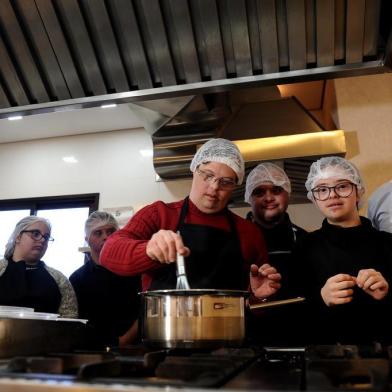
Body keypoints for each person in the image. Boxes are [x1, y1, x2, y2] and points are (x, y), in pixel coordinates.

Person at [100, 138, 281, 301]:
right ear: (194, 170)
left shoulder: (249, 233)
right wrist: (148, 251)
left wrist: (258, 296)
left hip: (227, 333)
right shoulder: (159, 214)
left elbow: (256, 305)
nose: (214, 187)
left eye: (225, 182)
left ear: (235, 186)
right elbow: (108, 253)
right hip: (163, 332)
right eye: (208, 175)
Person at [297, 156, 392, 344]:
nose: (332, 195)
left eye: (342, 186)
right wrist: (320, 299)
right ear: (314, 199)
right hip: (325, 362)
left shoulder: (388, 244)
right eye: (322, 189)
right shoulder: (303, 247)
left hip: (384, 359)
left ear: (358, 191)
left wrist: (388, 293)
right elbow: (292, 316)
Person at [70, 211, 141, 347]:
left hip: (135, 348)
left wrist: (125, 340)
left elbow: (145, 311)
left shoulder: (134, 271)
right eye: (98, 233)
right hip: (92, 350)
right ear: (87, 239)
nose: (106, 237)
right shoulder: (77, 279)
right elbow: (77, 321)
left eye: (111, 232)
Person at [244, 162, 306, 298]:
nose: (269, 198)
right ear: (249, 198)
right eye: (259, 192)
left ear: (288, 194)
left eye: (276, 190)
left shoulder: (306, 240)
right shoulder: (235, 239)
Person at [0, 216, 78, 317]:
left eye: (46, 237)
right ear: (18, 237)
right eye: (35, 234)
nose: (42, 240)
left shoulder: (59, 279)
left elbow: (69, 318)